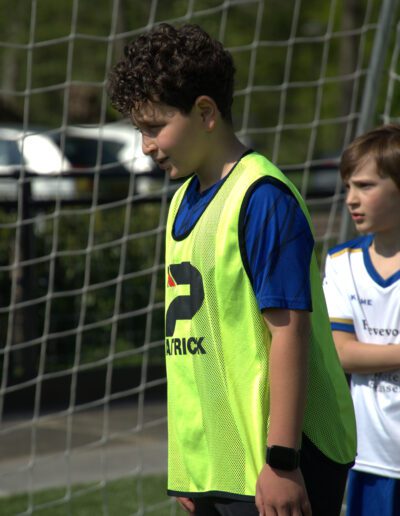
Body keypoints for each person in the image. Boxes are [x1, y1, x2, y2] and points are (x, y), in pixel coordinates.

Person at [107, 23, 356, 516]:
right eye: (140, 131)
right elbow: (196, 348)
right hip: (220, 466)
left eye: (154, 127)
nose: (146, 146)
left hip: (282, 462)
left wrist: (282, 461)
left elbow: (289, 334)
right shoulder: (181, 201)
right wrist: (191, 464)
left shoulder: (262, 198)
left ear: (205, 113)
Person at [323, 124, 400, 516]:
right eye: (348, 186)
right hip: (371, 459)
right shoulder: (342, 263)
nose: (351, 199)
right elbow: (342, 353)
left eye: (366, 186)